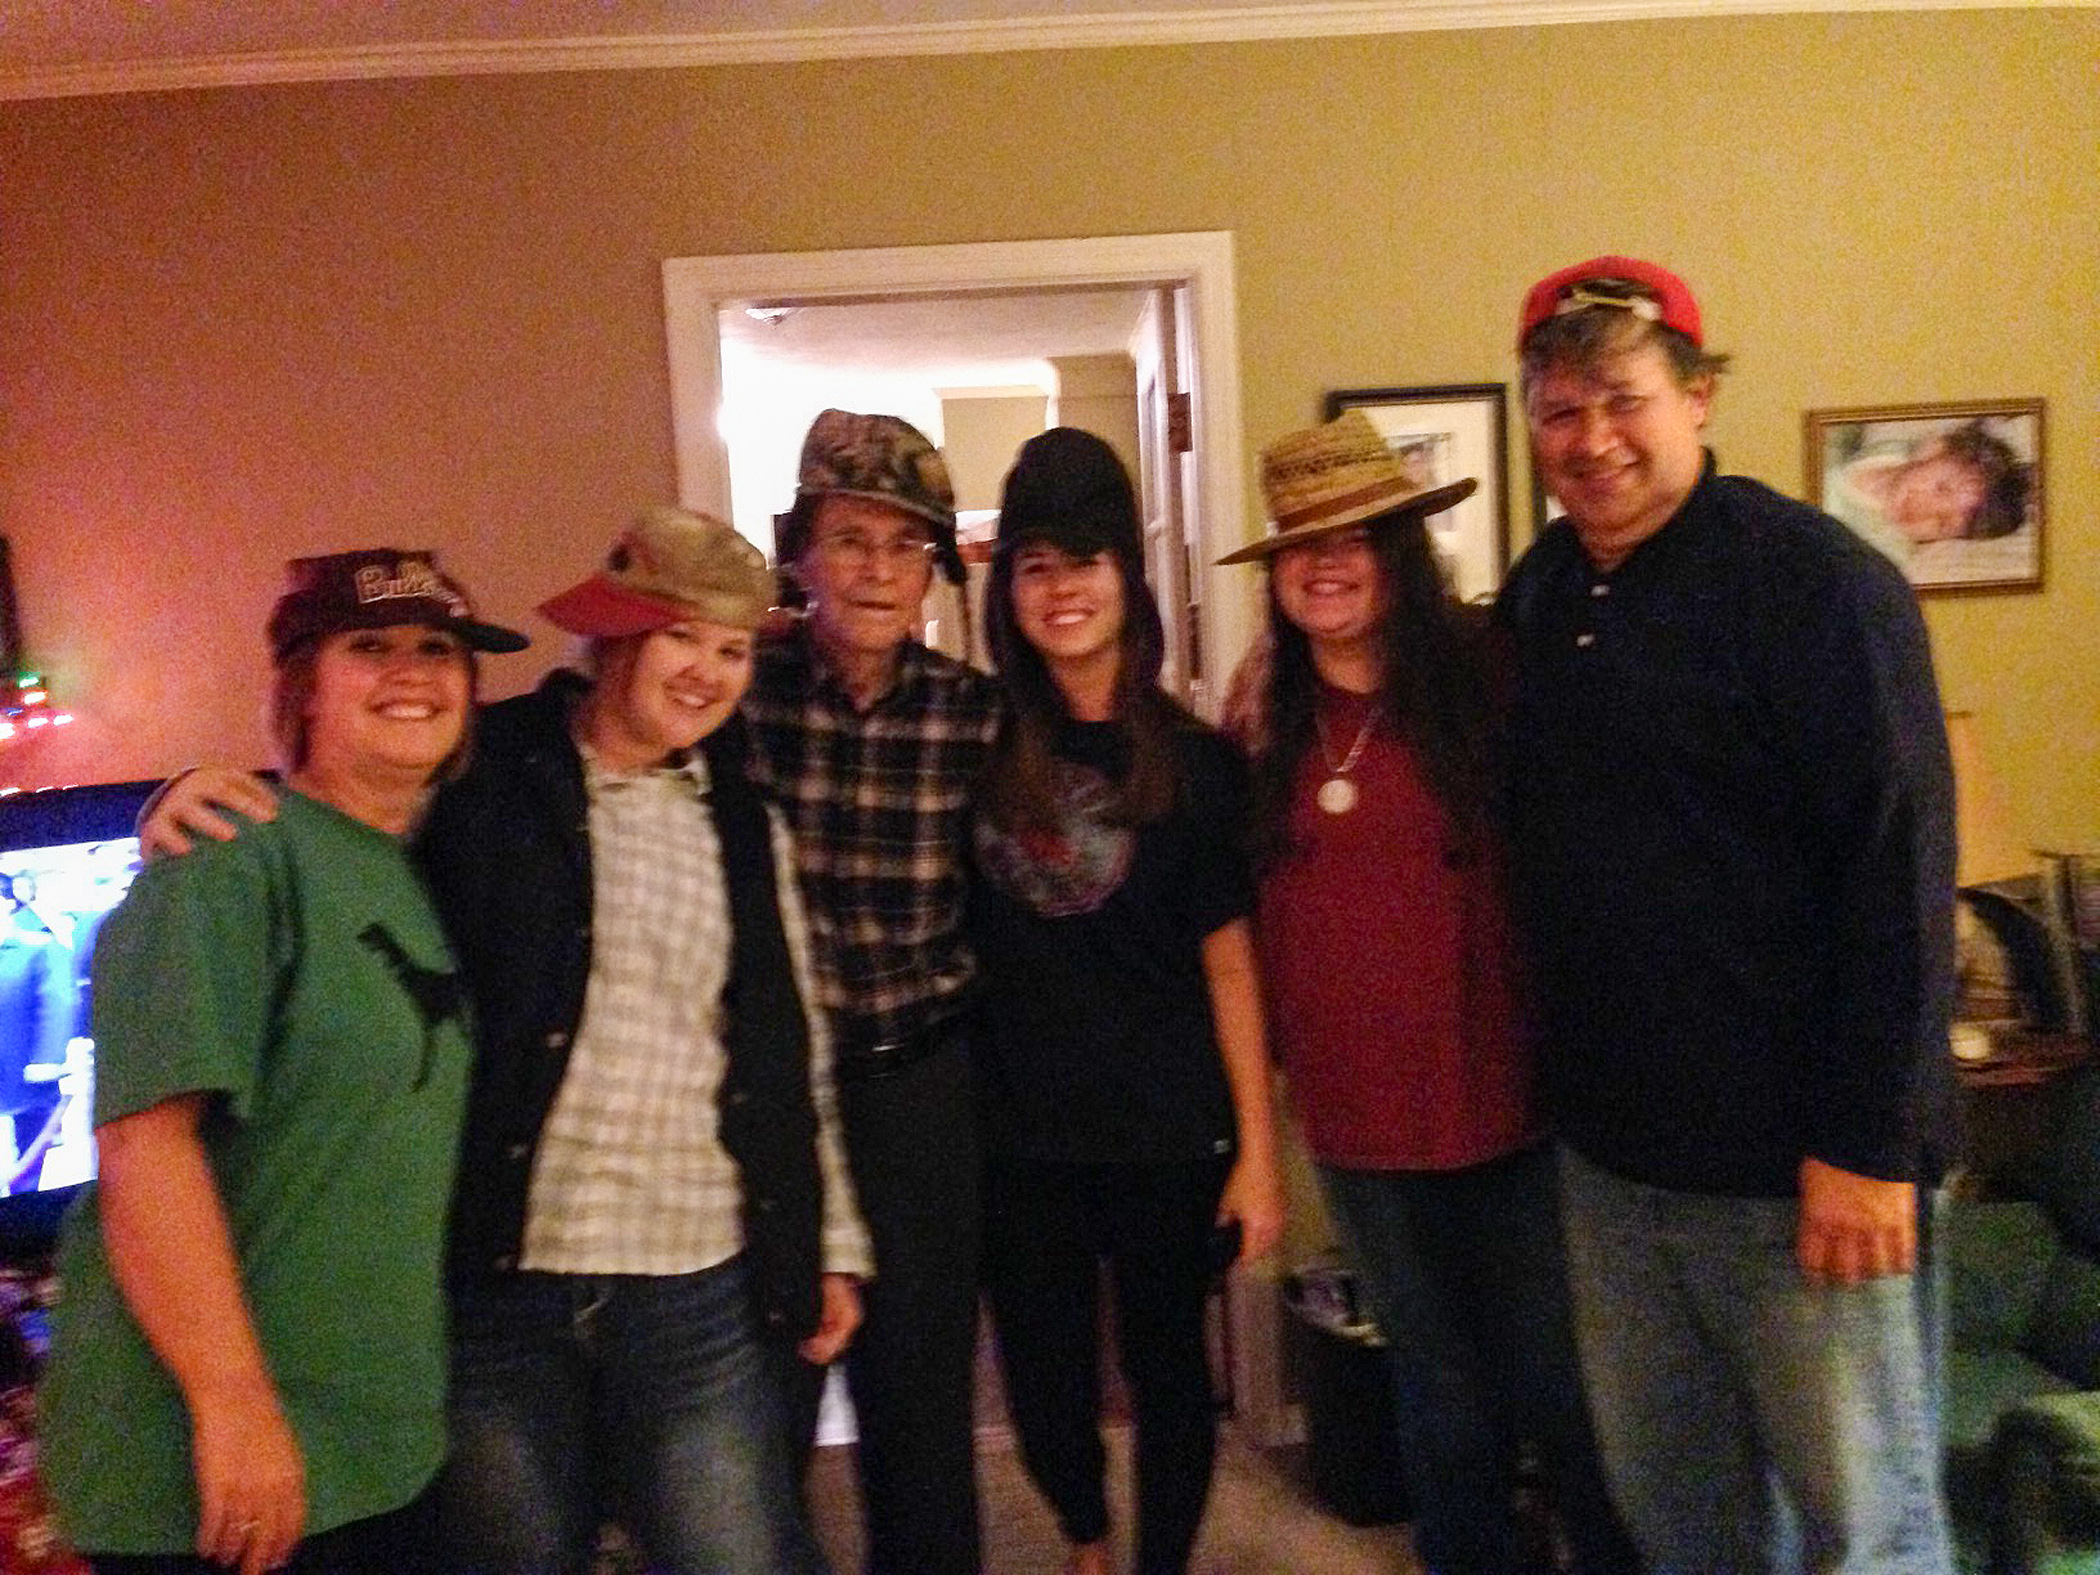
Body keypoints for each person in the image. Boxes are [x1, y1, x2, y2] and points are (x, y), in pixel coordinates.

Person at [138, 507, 872, 1575]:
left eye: (731, 650)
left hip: (693, 1279)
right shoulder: (481, 767)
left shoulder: (744, 822)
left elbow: (791, 1043)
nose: (709, 672)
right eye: (684, 637)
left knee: (737, 1555)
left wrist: (831, 1238)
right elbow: (337, 818)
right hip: (494, 1282)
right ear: (618, 637)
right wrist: (195, 799)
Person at [1498, 255, 1959, 1572]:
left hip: (1801, 1177)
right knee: (1680, 1522)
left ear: (1697, 397)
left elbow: (1900, 865)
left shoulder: (1813, 584)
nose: (1593, 440)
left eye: (1623, 400)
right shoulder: (1543, 599)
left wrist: (1867, 1146)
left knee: (1865, 1530)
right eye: (1560, 410)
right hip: (1615, 1171)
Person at [40, 548, 527, 1575]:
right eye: (372, 647)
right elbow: (145, 1145)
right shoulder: (227, 857)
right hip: (212, 1465)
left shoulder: (412, 868)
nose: (414, 673)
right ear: (303, 687)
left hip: (372, 1444)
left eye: (439, 650)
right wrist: (234, 1406)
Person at [1219, 408, 1637, 1575]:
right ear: (1279, 573)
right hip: (1359, 1125)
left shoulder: (1496, 677)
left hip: (1516, 1104)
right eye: (1304, 543)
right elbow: (1242, 937)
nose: (1329, 561)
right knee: (1437, 1391)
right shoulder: (1258, 721)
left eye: (1359, 535)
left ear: (1402, 549)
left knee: (1563, 1385)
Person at [970, 427, 1284, 1575]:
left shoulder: (1197, 764)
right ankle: (1085, 1533)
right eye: (1036, 565)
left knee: (1169, 1378)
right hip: (1018, 1138)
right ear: (1008, 589)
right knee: (1045, 1383)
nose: (1062, 590)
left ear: (1128, 578)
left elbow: (1231, 965)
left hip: (1170, 1133)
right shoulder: (969, 742)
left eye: (1086, 561)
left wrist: (1257, 1153)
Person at [749, 410, 1003, 1574]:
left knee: (921, 1407)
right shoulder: (729, 695)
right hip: (767, 1108)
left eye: (906, 548)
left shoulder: (974, 716)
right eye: (852, 539)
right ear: (801, 553)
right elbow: (564, 734)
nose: (878, 571)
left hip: (918, 1100)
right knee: (760, 1405)